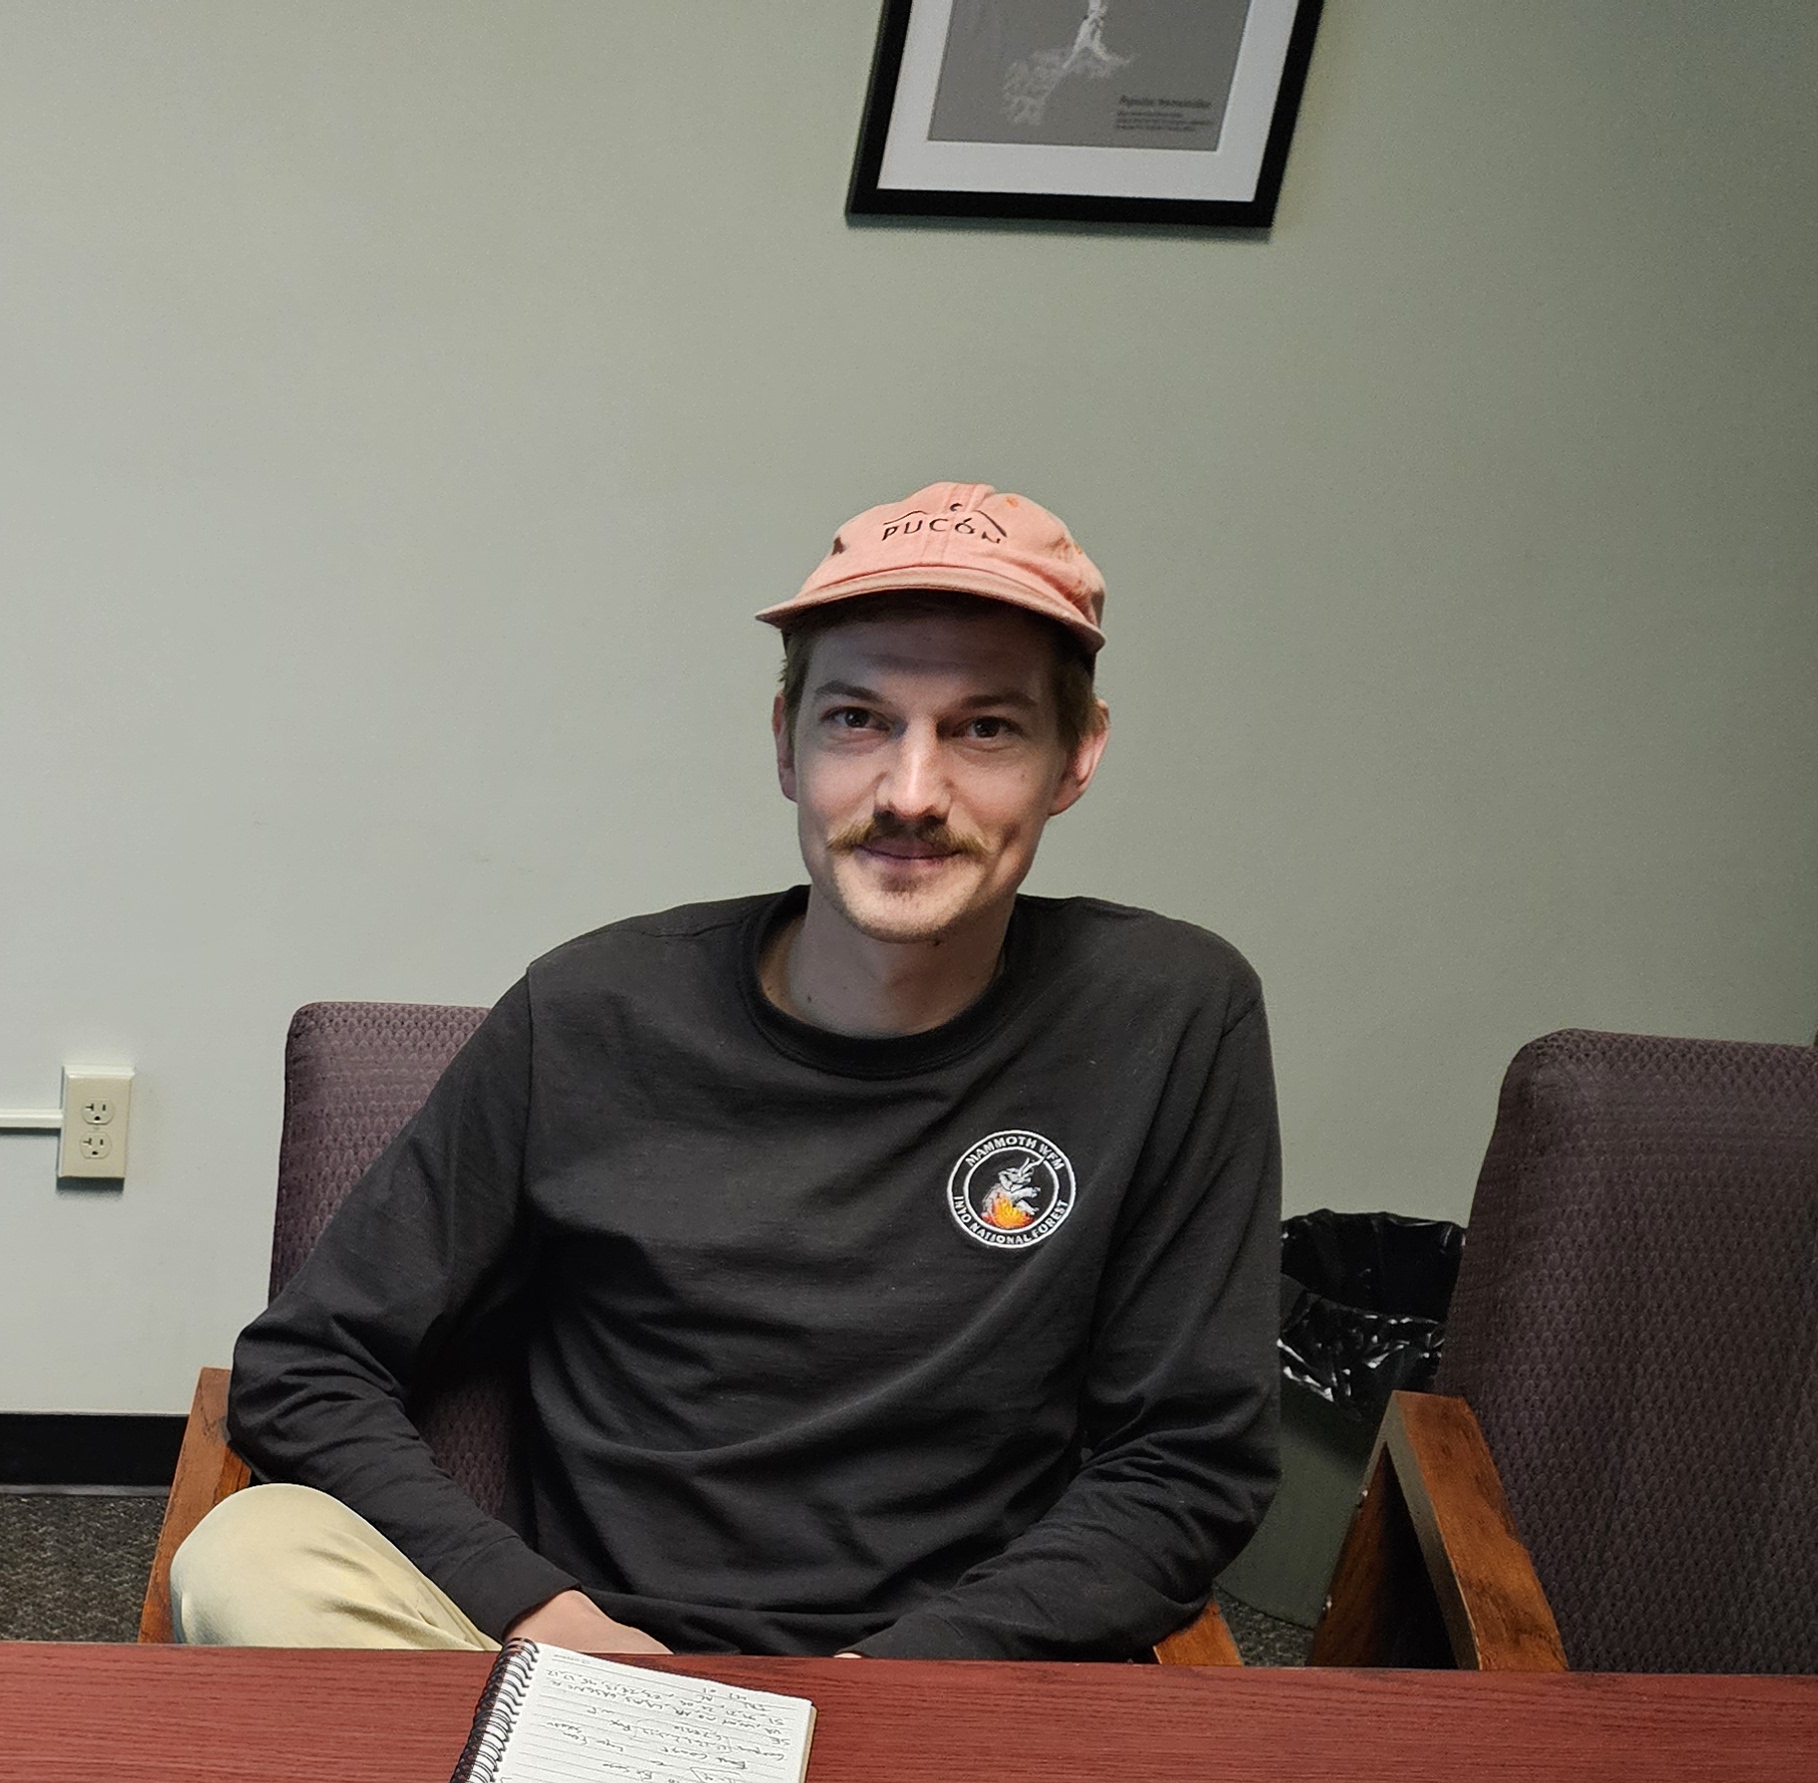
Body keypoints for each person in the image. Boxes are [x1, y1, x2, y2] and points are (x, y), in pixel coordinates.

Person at [174, 481, 1276, 1660]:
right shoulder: (590, 1010)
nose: (911, 793)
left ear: (1076, 757)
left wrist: (897, 1690)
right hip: (580, 1668)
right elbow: (307, 1365)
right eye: (857, 720)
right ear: (785, 743)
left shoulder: (1169, 1014)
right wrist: (548, 1617)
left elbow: (1186, 1461)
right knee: (248, 1555)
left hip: (955, 1686)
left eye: (984, 729)